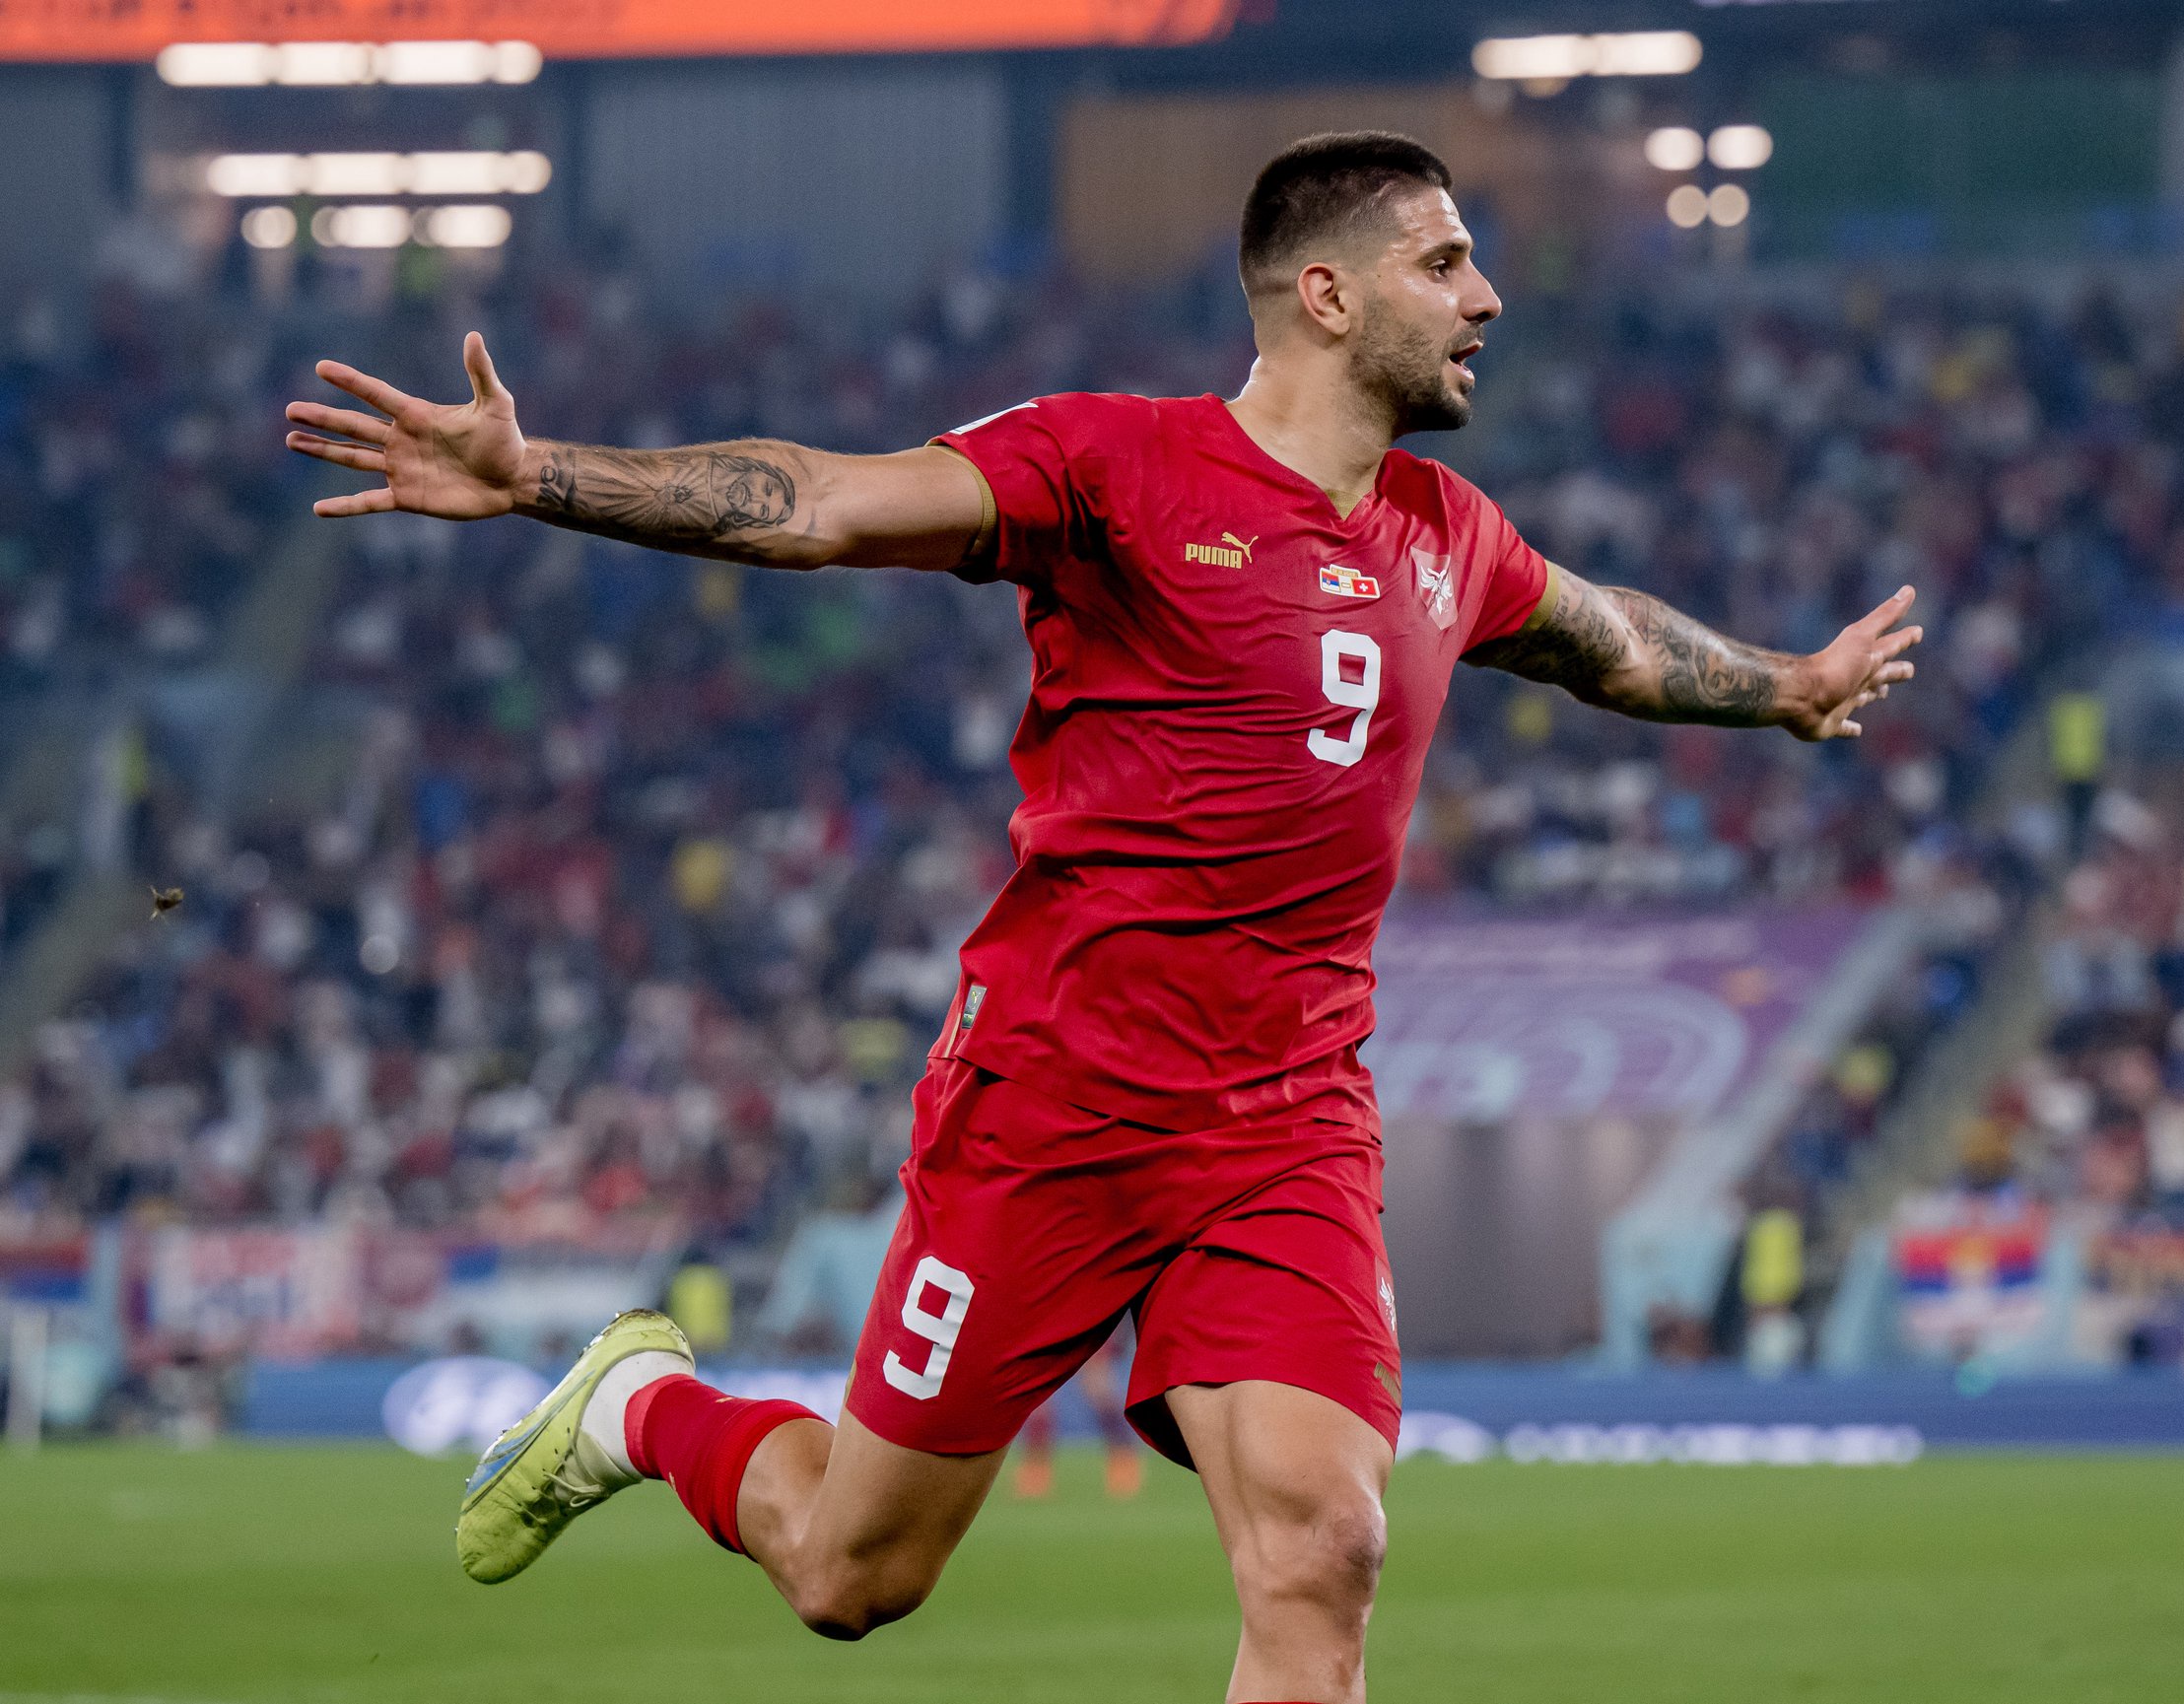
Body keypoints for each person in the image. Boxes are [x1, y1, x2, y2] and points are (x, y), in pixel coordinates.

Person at [283, 131, 1920, 1701]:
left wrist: (1791, 686)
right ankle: (643, 1407)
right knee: (853, 1570)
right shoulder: (1116, 462)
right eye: (1445, 260)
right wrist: (542, 473)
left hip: (1286, 1121)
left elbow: (1613, 640)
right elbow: (826, 503)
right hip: (1056, 1097)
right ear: (1328, 296)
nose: (1488, 295)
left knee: (1324, 1542)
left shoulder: (1450, 537)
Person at [1012, 1327, 1146, 1501]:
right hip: (1046, 1316)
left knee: (1099, 1389)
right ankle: (1035, 1472)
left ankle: (1124, 1463)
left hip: (1088, 1315)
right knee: (1038, 1399)